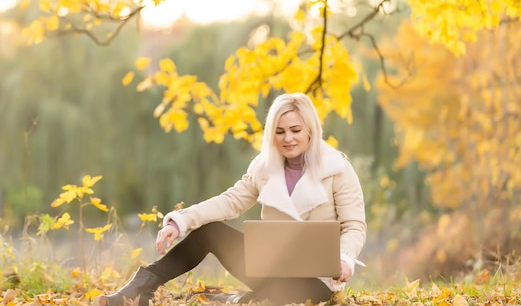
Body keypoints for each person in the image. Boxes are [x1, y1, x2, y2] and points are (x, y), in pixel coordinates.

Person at [95, 92, 366, 306]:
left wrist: (344, 258)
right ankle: (142, 287)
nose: (288, 139)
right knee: (211, 232)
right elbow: (228, 202)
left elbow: (355, 225)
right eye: (280, 131)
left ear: (310, 130)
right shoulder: (264, 167)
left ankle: (243, 298)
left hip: (317, 280)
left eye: (295, 130)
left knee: (276, 296)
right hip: (270, 267)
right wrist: (180, 222)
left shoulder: (337, 169)